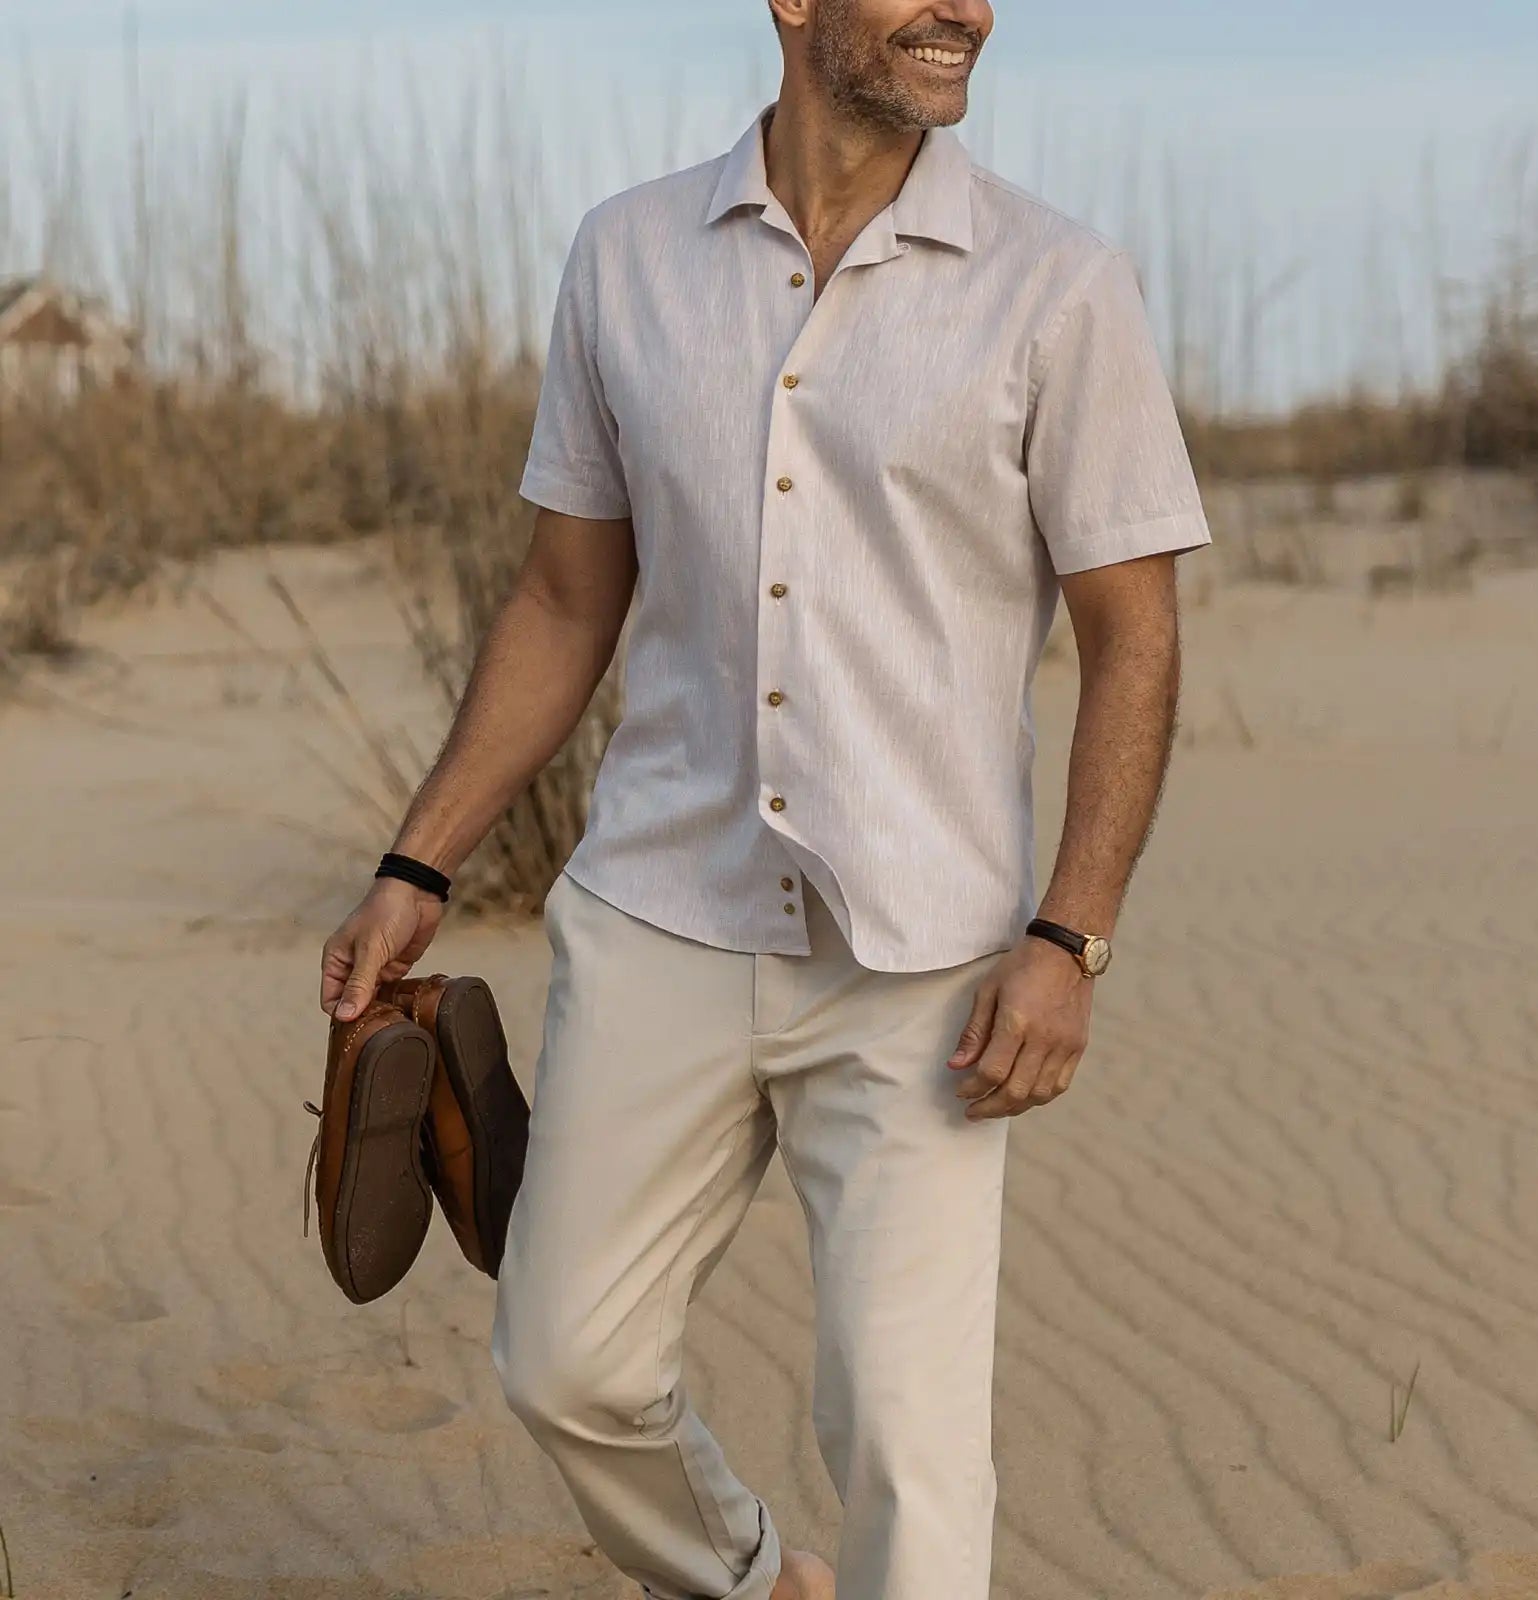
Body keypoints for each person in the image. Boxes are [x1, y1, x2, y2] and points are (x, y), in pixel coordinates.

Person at [319, 0, 1212, 1594]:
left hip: (925, 959)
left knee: (904, 1445)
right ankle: (748, 1577)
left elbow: (1132, 636)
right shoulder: (625, 258)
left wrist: (1071, 940)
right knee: (566, 1363)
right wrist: (420, 860)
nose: (972, 12)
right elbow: (562, 603)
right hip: (663, 904)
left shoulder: (1059, 286)